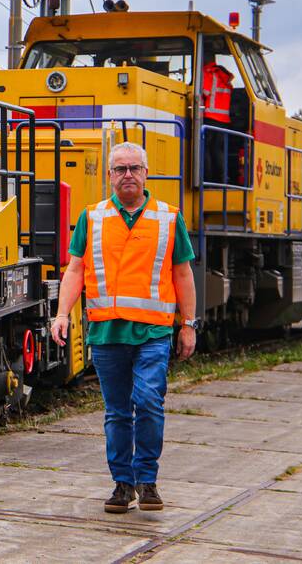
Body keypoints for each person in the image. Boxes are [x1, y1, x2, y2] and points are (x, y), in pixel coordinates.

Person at [51, 142, 198, 514]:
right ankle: (122, 484)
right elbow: (75, 269)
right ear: (110, 176)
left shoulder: (168, 217)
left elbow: (183, 273)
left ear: (146, 173)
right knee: (116, 412)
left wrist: (189, 325)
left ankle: (147, 480)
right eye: (120, 169)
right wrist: (62, 314)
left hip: (153, 331)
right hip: (106, 332)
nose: (128, 174)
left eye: (134, 168)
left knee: (148, 401)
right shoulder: (93, 217)